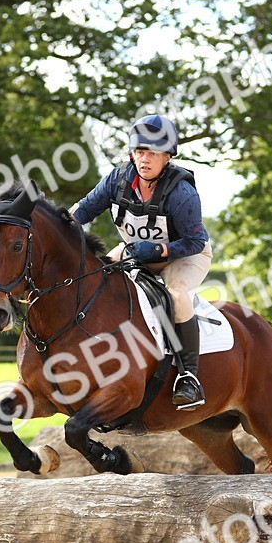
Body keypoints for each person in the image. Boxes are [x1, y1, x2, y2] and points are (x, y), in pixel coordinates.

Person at [70, 115, 211, 409]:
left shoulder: (182, 193)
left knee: (177, 295)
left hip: (185, 256)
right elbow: (83, 210)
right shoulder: (117, 179)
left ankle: (189, 378)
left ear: (167, 157)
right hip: (134, 251)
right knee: (93, 281)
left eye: (153, 154)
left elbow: (195, 241)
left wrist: (157, 251)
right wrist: (59, 226)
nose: (144, 160)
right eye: (140, 152)